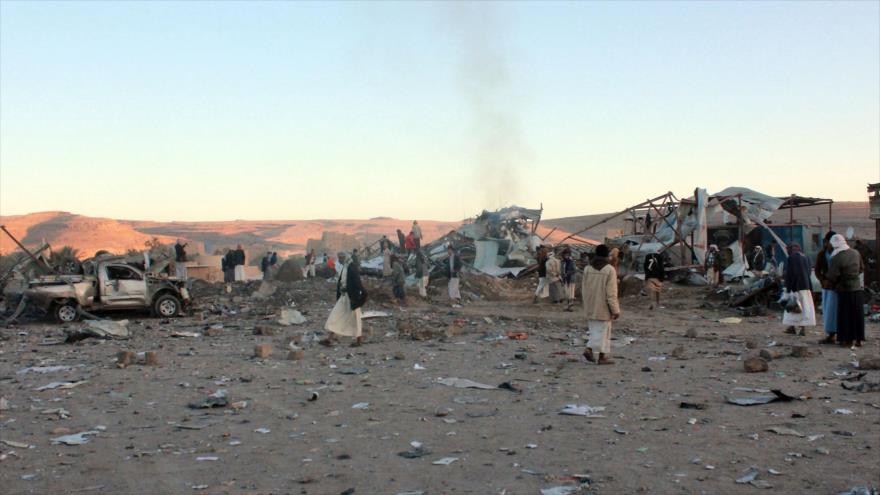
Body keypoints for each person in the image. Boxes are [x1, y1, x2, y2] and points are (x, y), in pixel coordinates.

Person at [582, 244, 621, 365]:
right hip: (604, 306)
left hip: (591, 304)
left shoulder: (588, 268)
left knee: (595, 330)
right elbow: (611, 292)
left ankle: (602, 356)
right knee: (603, 331)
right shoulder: (609, 269)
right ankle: (589, 349)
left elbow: (583, 288)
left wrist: (586, 303)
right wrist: (615, 309)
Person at [827, 234, 865, 348]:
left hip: (844, 289)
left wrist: (832, 284)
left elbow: (833, 276)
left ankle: (846, 340)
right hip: (857, 288)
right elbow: (862, 268)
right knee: (857, 315)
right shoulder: (856, 253)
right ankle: (859, 339)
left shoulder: (837, 257)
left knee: (845, 315)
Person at [323, 252, 368, 347]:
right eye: (339, 258)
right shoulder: (345, 267)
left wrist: (361, 294)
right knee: (335, 315)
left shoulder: (352, 267)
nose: (340, 260)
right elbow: (342, 282)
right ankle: (329, 339)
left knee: (355, 319)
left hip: (352, 297)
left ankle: (358, 340)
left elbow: (357, 282)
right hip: (344, 296)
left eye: (341, 257)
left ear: (346, 257)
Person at [782, 243, 816, 336]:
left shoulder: (791, 258)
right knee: (804, 308)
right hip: (805, 286)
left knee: (792, 307)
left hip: (795, 287)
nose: (787, 251)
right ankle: (799, 328)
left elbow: (791, 274)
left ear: (791, 249)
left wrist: (788, 288)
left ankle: (793, 327)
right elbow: (808, 271)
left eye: (788, 249)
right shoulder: (806, 257)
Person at [815, 232, 838, 344]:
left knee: (837, 311)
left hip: (837, 287)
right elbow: (817, 270)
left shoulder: (839, 253)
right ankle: (830, 334)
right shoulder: (821, 255)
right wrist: (822, 280)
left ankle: (838, 333)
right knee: (828, 311)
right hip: (826, 287)